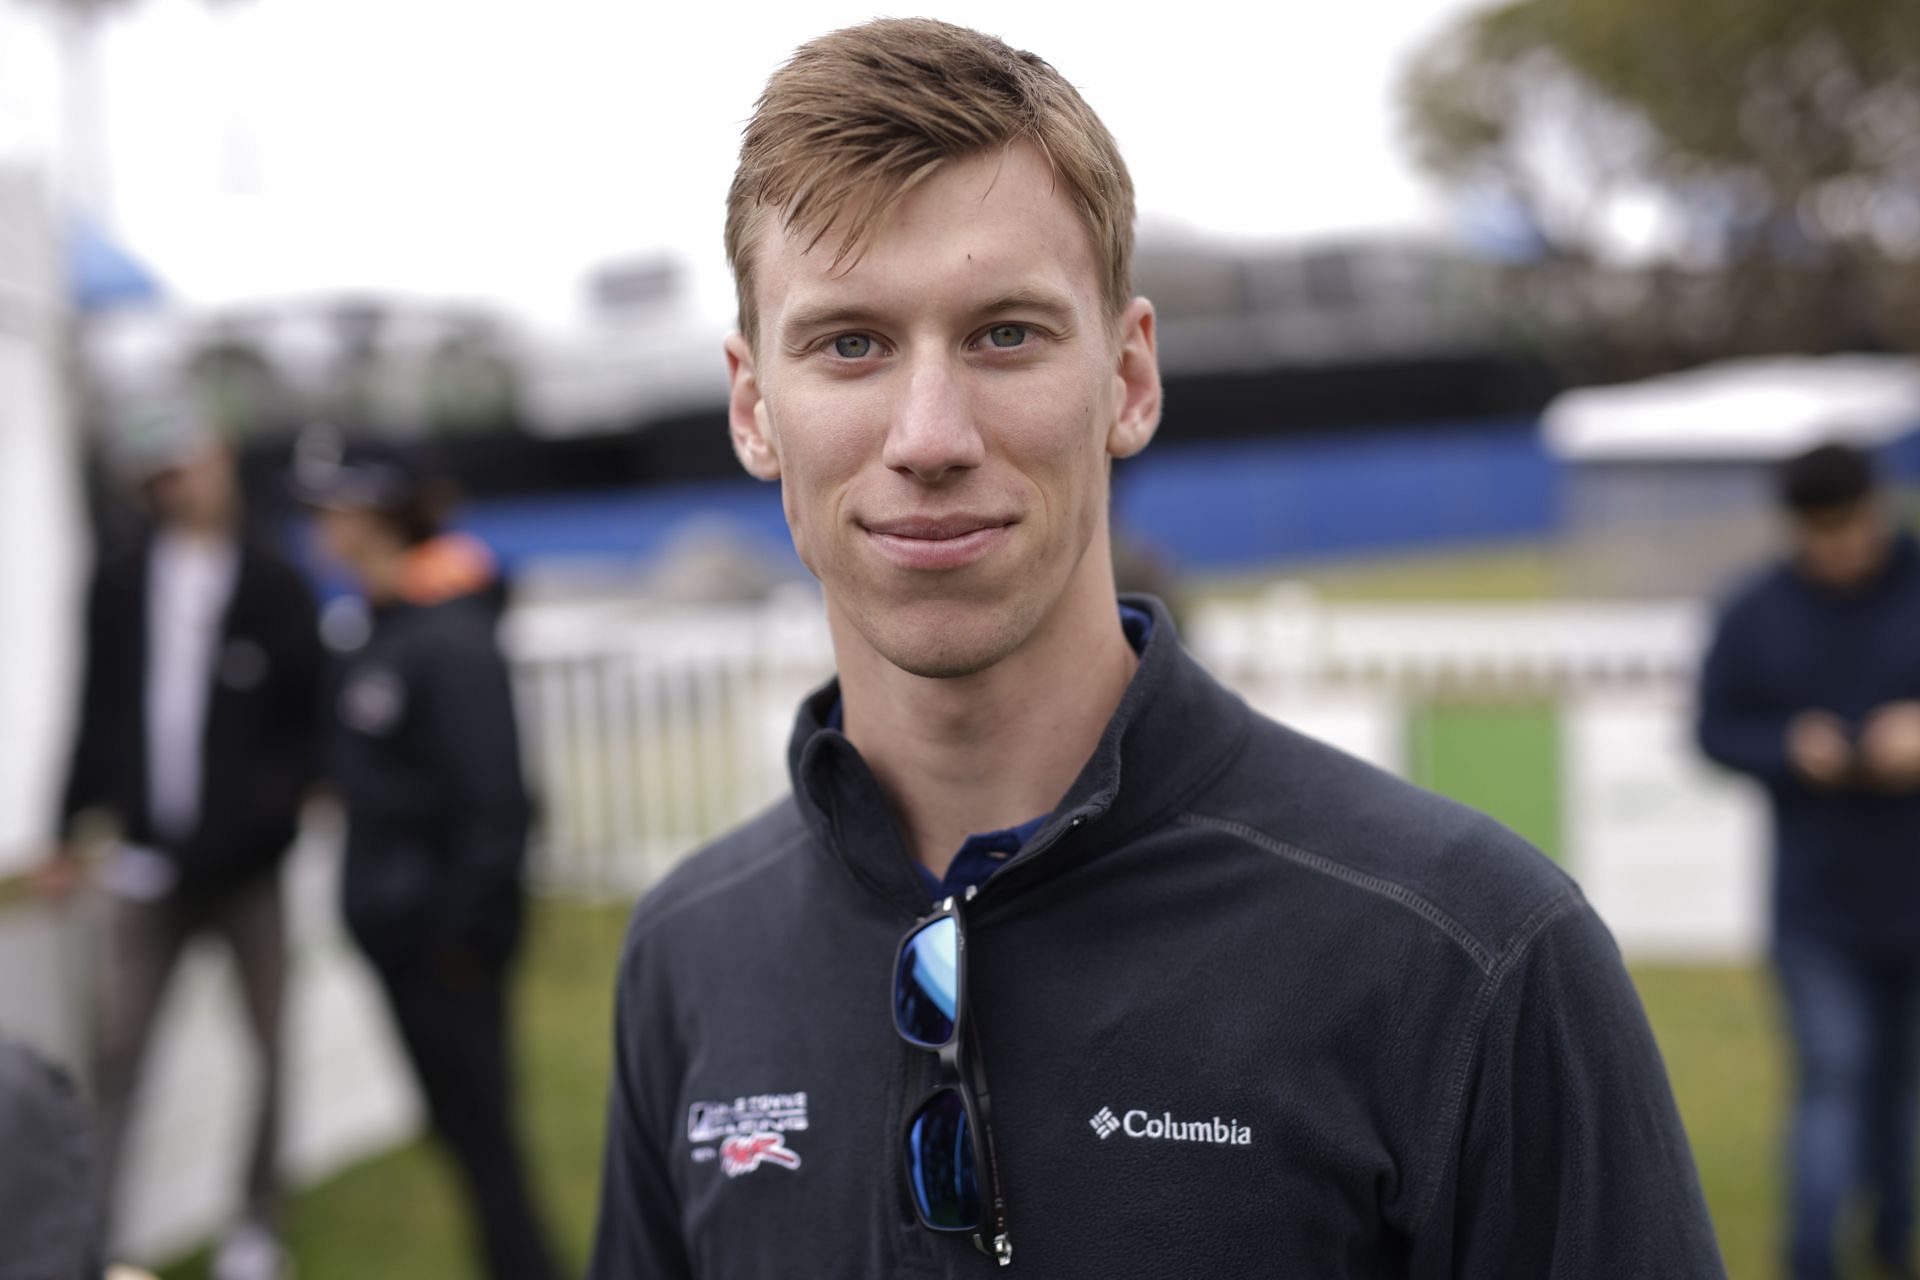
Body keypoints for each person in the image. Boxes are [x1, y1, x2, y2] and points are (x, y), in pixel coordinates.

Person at [588, 19, 1723, 1278]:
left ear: (1128, 378)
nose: (929, 433)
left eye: (1004, 333)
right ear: (755, 407)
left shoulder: (1468, 953)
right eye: (849, 342)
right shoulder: (690, 951)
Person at [39, 403, 322, 1280]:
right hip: (145, 865)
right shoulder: (120, 578)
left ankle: (255, 1226)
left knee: (268, 1048)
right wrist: (67, 825)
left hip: (247, 871)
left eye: (186, 464)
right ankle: (90, 1235)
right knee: (116, 1057)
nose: (177, 486)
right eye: (158, 473)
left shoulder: (275, 580)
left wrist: (268, 821)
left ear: (219, 458)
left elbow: (306, 726)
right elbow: (96, 707)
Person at [293, 431, 562, 1280]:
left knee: (484, 1139)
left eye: (330, 506)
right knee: (458, 1133)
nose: (316, 525)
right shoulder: (372, 625)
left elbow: (497, 803)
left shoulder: (447, 636)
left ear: (374, 513)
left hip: (442, 947)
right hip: (399, 934)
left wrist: (461, 940)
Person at [1698, 442, 1920, 1280]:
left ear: (1877, 504)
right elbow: (1714, 728)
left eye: (1849, 527)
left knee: (1900, 1093)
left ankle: (1894, 1245)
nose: (1837, 549)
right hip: (1817, 902)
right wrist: (1789, 746)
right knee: (1830, 1081)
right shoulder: (1756, 610)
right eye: (1818, 533)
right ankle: (1812, 1261)